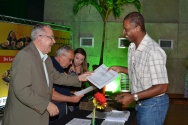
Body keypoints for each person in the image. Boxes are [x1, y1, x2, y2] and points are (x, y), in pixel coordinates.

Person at [2, 24, 91, 125]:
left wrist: (79, 78)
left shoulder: (47, 59)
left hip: (39, 118)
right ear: (40, 38)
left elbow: (57, 77)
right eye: (51, 38)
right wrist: (46, 104)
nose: (54, 41)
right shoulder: (25, 56)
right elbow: (22, 90)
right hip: (24, 119)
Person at [109, 12, 169, 125]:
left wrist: (133, 96)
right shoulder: (132, 47)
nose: (124, 32)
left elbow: (162, 86)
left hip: (153, 105)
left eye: (126, 29)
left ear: (137, 28)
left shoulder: (153, 51)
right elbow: (141, 72)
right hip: (142, 103)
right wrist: (121, 69)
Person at [49, 46, 84, 123]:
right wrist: (71, 99)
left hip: (61, 107)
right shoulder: (51, 67)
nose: (71, 63)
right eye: (70, 60)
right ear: (61, 57)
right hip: (54, 109)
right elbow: (51, 94)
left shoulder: (59, 67)